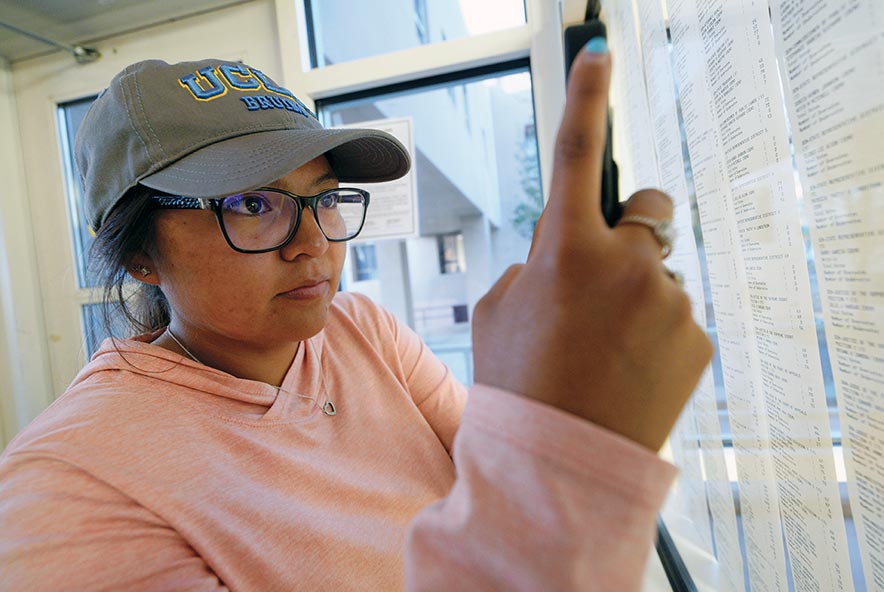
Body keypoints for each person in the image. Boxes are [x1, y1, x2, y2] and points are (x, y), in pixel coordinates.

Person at [0, 41, 711, 591]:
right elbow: (529, 494)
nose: (313, 242)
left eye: (326, 197)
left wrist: (553, 383)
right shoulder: (66, 486)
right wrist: (572, 456)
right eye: (253, 204)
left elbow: (494, 477)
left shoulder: (361, 331)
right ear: (138, 256)